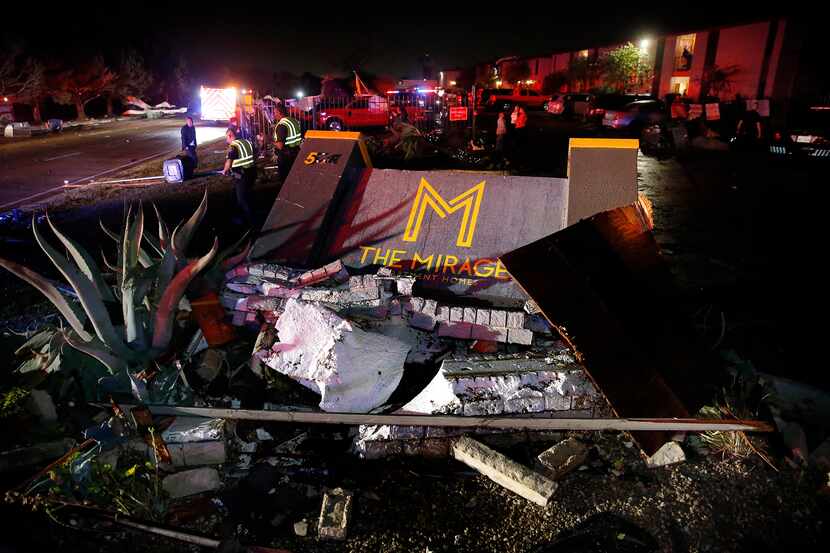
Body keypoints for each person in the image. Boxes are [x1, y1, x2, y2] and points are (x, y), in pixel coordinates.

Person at [221, 128, 257, 227]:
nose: (226, 141)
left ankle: (252, 222)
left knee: (242, 199)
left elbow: (229, 162)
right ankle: (245, 217)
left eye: (226, 138)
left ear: (230, 135)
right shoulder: (246, 142)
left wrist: (225, 170)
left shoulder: (233, 146)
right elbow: (255, 154)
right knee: (243, 194)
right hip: (252, 173)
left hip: (242, 176)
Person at [273, 103, 303, 182]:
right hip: (296, 154)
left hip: (285, 158)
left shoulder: (282, 125)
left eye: (275, 112)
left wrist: (271, 141)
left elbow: (280, 146)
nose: (274, 115)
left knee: (284, 181)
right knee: (295, 180)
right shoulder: (294, 121)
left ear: (279, 112)